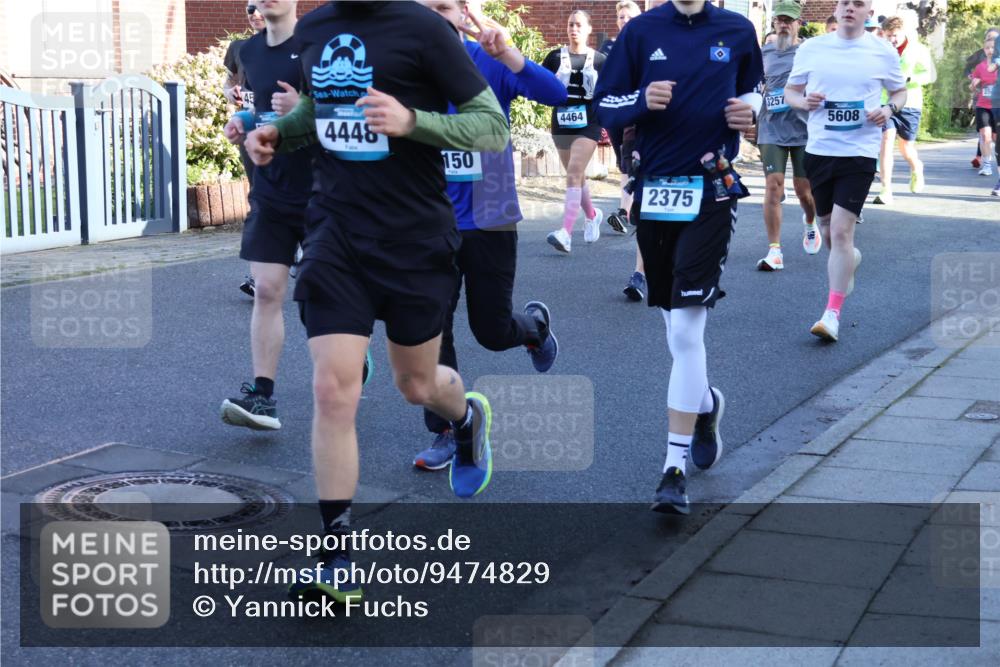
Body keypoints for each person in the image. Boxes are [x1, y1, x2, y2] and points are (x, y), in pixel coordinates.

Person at [243, 0, 509, 601]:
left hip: (414, 239)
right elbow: (319, 107)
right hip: (335, 233)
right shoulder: (315, 27)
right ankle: (335, 553)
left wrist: (413, 121)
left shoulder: (423, 28)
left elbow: (491, 126)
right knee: (332, 388)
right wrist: (280, 132)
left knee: (417, 385)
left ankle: (465, 418)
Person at [596, 0, 763, 514]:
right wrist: (641, 100)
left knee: (688, 332)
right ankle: (706, 405)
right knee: (675, 332)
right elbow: (605, 105)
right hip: (655, 191)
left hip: (711, 190)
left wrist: (752, 111)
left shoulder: (737, 29)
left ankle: (673, 469)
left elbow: (755, 89)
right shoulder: (642, 31)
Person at [411, 0, 565, 471]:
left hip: (490, 215)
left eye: (444, 7)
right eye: (424, 8)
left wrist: (510, 55)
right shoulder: (407, 70)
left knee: (492, 332)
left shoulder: (488, 60)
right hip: (430, 221)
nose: (435, 17)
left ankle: (534, 329)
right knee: (431, 331)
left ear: (463, 13)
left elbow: (556, 94)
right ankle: (448, 427)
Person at [219, 0, 321, 432]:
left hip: (322, 192)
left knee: (321, 297)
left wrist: (303, 107)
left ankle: (351, 348)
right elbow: (261, 107)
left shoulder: (318, 44)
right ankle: (262, 397)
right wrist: (243, 120)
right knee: (266, 290)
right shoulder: (250, 51)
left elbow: (346, 113)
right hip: (271, 190)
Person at [785, 0, 906, 343]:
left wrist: (888, 109)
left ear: (869, 13)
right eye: (844, 3)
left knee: (840, 231)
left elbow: (900, 92)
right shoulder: (812, 48)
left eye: (858, 3)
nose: (850, 8)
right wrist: (803, 102)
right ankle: (850, 259)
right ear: (836, 10)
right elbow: (791, 92)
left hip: (859, 152)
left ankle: (831, 314)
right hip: (820, 150)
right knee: (826, 227)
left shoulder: (882, 51)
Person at [755, 0, 819, 272]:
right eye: (779, 20)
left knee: (804, 191)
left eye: (788, 20)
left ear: (798, 24)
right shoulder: (763, 53)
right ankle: (775, 251)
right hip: (771, 126)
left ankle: (810, 222)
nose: (783, 24)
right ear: (774, 23)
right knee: (774, 185)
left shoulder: (810, 52)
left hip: (803, 128)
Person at [542, 10, 607, 253]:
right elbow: (541, 83)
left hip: (589, 120)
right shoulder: (554, 57)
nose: (574, 29)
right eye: (571, 25)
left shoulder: (600, 60)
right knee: (575, 175)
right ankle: (592, 215)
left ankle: (566, 233)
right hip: (561, 119)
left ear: (589, 29)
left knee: (574, 171)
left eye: (579, 25)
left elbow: (611, 90)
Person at [872, 15, 936, 206]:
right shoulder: (880, 50)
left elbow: (929, 75)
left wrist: (909, 79)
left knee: (906, 147)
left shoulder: (918, 49)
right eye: (888, 35)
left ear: (903, 33)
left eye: (895, 35)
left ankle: (917, 167)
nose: (892, 39)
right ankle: (886, 190)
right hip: (885, 102)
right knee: (885, 141)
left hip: (910, 103)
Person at [600, 1, 642, 236]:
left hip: (636, 110)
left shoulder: (646, 44)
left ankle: (624, 211)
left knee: (630, 158)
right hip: (614, 111)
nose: (625, 21)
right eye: (621, 17)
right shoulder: (609, 47)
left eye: (630, 17)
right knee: (623, 162)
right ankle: (630, 208)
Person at [224, 4, 267, 188]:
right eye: (250, 9)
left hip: (280, 128)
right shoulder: (238, 47)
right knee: (256, 188)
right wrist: (230, 93)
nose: (255, 14)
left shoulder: (293, 45)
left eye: (259, 7)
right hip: (249, 128)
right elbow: (228, 83)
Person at [965, 28, 999, 168]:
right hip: (982, 101)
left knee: (994, 136)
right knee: (985, 132)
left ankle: (985, 157)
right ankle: (983, 160)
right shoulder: (979, 58)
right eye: (989, 38)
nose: (990, 49)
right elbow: (968, 67)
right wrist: (973, 80)